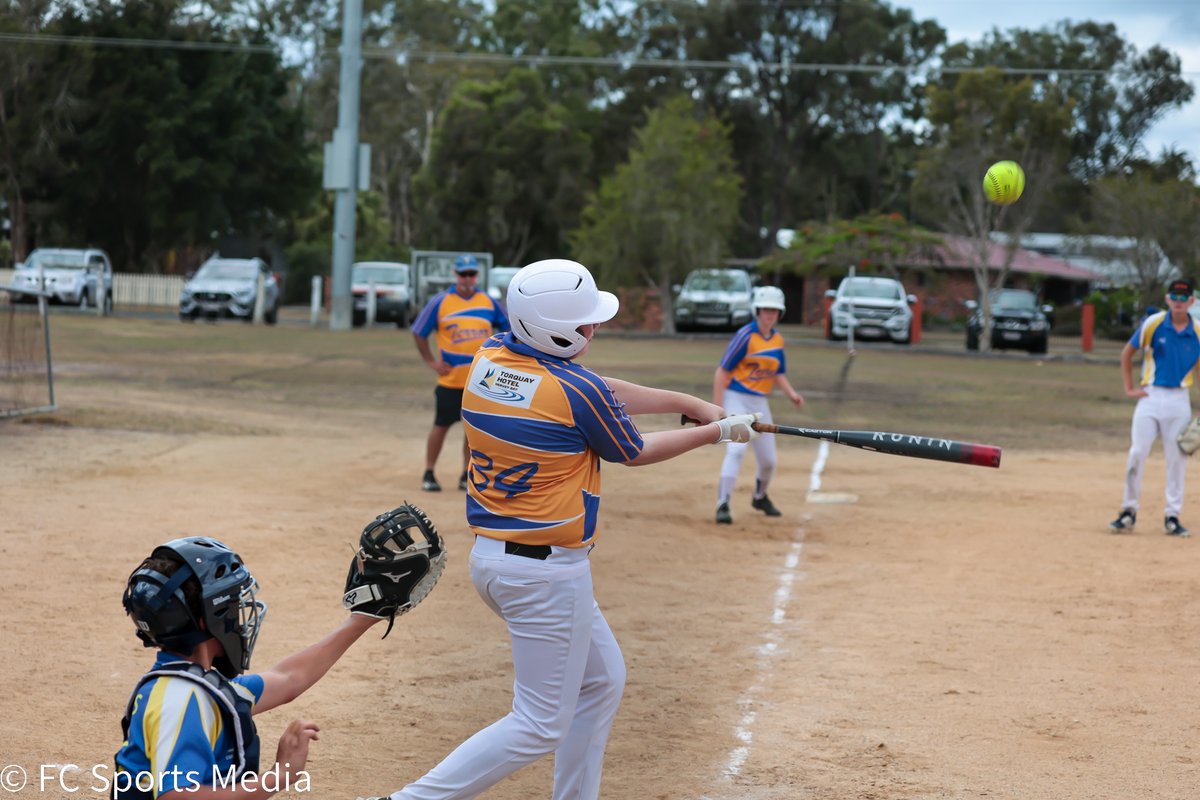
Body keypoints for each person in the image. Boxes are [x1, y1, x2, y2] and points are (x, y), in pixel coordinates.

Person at [358, 259, 757, 800]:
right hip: (545, 576)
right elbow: (634, 450)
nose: (594, 329)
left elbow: (593, 388)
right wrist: (713, 432)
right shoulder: (572, 391)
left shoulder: (490, 357)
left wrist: (685, 403)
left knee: (601, 680)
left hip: (500, 562)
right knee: (538, 725)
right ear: (556, 330)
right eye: (586, 322)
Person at [114, 536, 383, 799]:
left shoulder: (193, 685)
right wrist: (278, 777)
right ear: (209, 619)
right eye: (233, 603)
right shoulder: (181, 698)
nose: (241, 614)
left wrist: (363, 618)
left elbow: (289, 678)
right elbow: (177, 796)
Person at [1109, 277, 1200, 537]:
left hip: (1179, 399)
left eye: (1185, 298)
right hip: (1150, 396)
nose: (1179, 302)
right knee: (1137, 452)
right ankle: (1128, 511)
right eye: (1175, 297)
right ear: (1167, 299)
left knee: (1177, 458)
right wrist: (1129, 387)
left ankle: (1172, 515)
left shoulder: (1197, 331)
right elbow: (1127, 353)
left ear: (1192, 301)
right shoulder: (1154, 324)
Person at [412, 254, 509, 493]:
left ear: (477, 276)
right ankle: (429, 471)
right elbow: (418, 331)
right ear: (456, 275)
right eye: (463, 274)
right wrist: (431, 361)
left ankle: (467, 475)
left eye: (472, 274)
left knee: (472, 430)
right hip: (450, 380)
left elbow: (508, 328)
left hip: (481, 381)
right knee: (441, 425)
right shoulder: (441, 302)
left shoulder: (488, 301)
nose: (468, 278)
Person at [712, 285, 805, 524]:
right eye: (765, 309)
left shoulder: (777, 340)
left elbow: (778, 373)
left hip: (759, 402)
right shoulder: (746, 335)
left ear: (780, 313)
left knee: (769, 461)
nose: (769, 314)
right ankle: (723, 503)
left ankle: (760, 496)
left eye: (774, 310)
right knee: (737, 448)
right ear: (757, 310)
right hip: (736, 396)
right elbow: (722, 372)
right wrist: (718, 409)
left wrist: (792, 394)